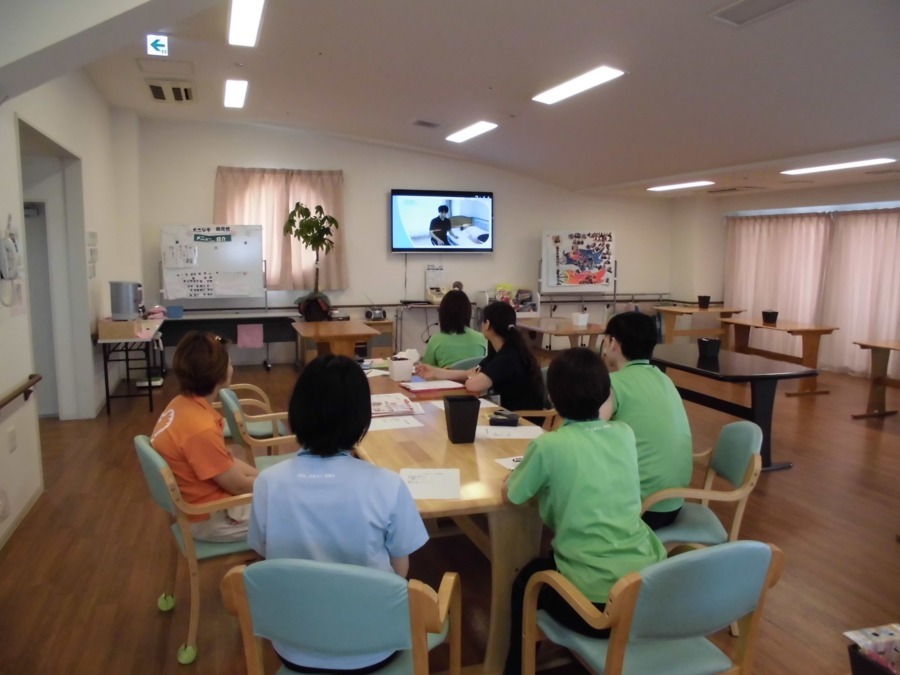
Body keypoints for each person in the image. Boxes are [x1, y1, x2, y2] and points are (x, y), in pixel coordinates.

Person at [248, 354, 429, 673]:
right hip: (375, 646)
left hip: (294, 645)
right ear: (362, 420)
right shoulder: (387, 485)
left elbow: (264, 553)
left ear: (296, 413)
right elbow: (399, 571)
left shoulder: (267, 483)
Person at [502, 348, 666, 675]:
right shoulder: (624, 433)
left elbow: (512, 496)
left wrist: (509, 478)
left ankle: (517, 669)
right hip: (646, 591)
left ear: (552, 397)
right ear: (606, 393)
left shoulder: (549, 445)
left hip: (595, 607)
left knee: (526, 580)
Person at [150, 331, 258, 542]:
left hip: (200, 506)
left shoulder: (180, 404)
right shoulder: (200, 429)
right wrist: (278, 485)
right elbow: (237, 486)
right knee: (295, 517)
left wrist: (266, 477)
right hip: (211, 517)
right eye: (229, 363)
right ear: (219, 375)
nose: (232, 367)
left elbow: (226, 464)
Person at [600, 311, 693, 529]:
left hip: (640, 508)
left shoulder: (614, 383)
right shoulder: (665, 379)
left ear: (612, 342)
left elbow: (585, 432)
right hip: (672, 502)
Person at [414, 301, 544, 412]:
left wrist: (472, 377)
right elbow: (470, 373)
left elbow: (473, 384)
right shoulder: (501, 350)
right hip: (506, 413)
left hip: (522, 419)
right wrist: (435, 371)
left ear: (487, 324)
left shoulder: (508, 356)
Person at [422, 289, 488, 368]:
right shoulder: (482, 338)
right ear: (468, 312)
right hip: (476, 375)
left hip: (445, 376)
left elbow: (426, 369)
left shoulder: (435, 340)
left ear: (443, 313)